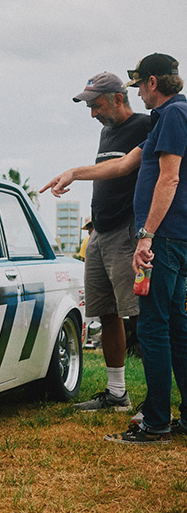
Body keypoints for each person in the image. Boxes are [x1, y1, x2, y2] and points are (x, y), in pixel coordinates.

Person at [42, 53, 187, 444]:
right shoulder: (166, 117)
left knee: (153, 328)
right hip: (169, 237)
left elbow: (169, 179)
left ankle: (155, 422)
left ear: (152, 82)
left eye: (140, 85)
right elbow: (123, 166)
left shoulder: (172, 115)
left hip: (164, 238)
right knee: (174, 326)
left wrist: (146, 235)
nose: (138, 92)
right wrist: (74, 172)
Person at [41, 72, 152, 412]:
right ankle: (117, 394)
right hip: (99, 234)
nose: (93, 114)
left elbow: (124, 168)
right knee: (107, 313)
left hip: (127, 233)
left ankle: (156, 399)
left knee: (142, 316)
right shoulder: (107, 132)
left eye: (97, 106)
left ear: (119, 98)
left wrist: (74, 172)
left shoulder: (146, 125)